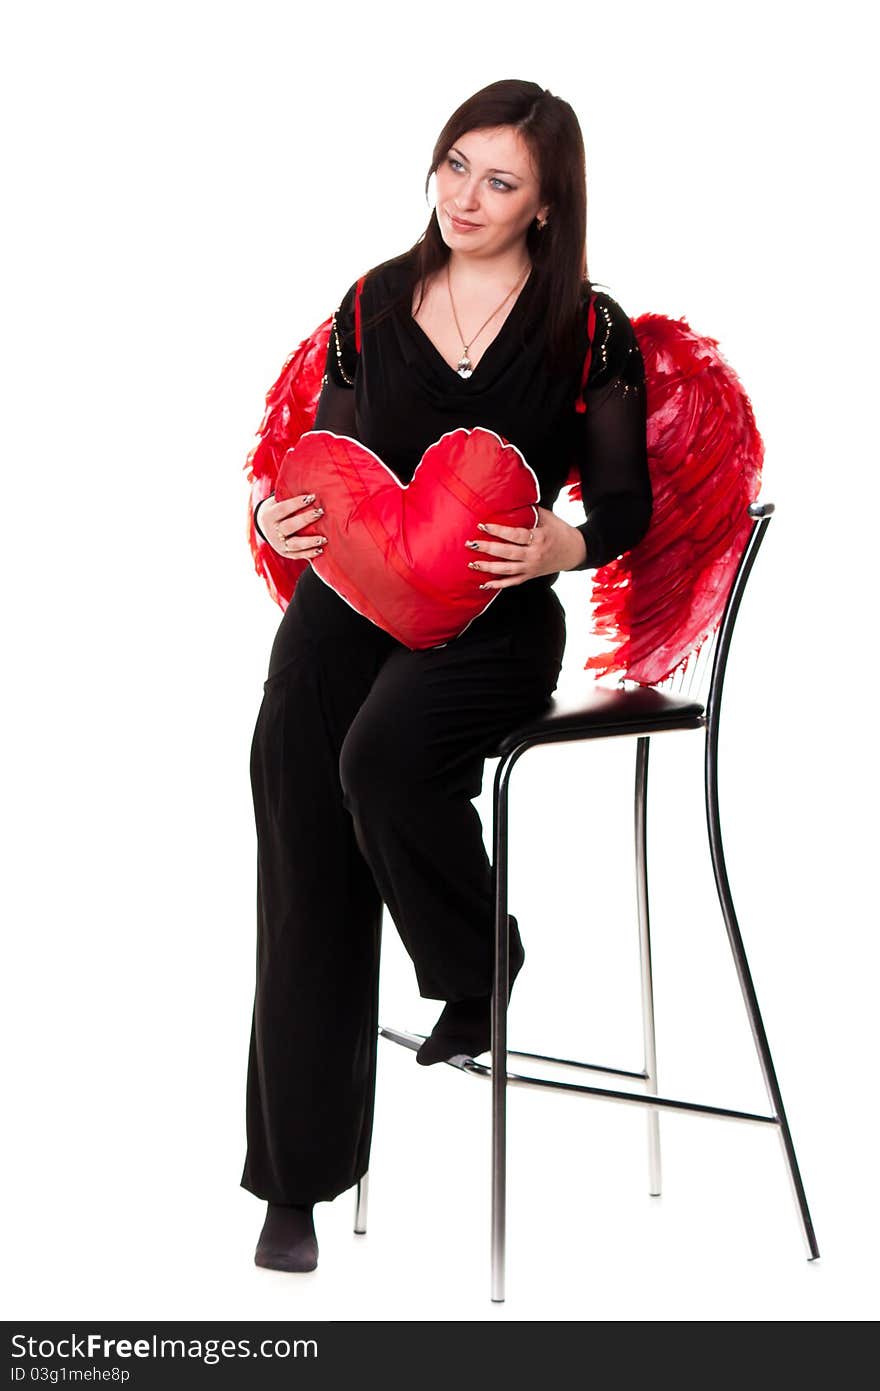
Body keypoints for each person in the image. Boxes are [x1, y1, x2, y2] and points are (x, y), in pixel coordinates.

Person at [241, 78, 652, 1273]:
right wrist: (282, 513)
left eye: (499, 181)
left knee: (385, 756)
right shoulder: (373, 300)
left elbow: (618, 503)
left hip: (494, 620)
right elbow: (328, 458)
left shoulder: (589, 326)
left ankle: (477, 963)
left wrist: (565, 541)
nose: (464, 196)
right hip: (352, 604)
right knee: (303, 823)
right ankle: (296, 1182)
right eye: (454, 165)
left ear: (544, 205)